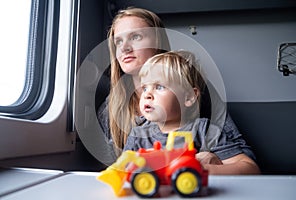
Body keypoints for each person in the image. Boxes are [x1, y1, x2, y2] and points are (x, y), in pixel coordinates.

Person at [96, 7, 260, 174]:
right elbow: (115, 171)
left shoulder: (199, 94)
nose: (125, 48)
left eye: (136, 37)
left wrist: (211, 164)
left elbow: (246, 162)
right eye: (118, 41)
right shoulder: (110, 108)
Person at [123, 50, 260, 175]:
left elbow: (250, 168)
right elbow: (122, 173)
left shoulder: (204, 130)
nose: (147, 95)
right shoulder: (137, 136)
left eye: (159, 87)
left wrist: (205, 169)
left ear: (189, 97)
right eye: (145, 88)